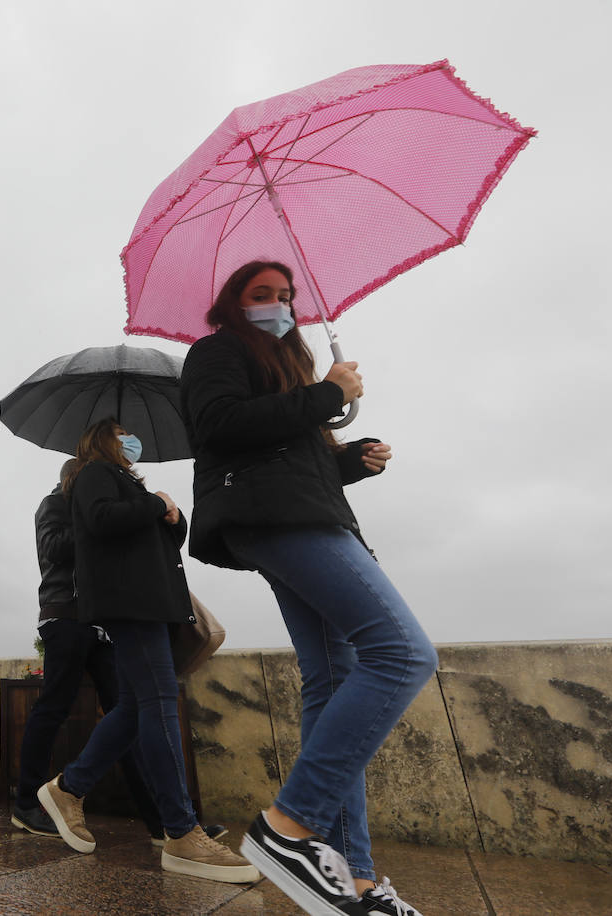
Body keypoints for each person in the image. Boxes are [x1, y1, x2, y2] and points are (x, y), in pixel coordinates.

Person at [180, 260, 437, 916]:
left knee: (333, 674)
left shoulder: (288, 366)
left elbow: (293, 461)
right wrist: (326, 395)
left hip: (297, 511)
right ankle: (289, 827)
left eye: (284, 296)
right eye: (260, 295)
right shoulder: (216, 352)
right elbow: (221, 429)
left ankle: (354, 880)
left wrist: (349, 461)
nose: (277, 305)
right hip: (274, 521)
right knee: (401, 652)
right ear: (233, 304)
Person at [37, 420, 258, 885]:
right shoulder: (94, 472)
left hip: (149, 601)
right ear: (102, 439)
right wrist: (154, 503)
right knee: (157, 703)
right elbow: (99, 521)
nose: (129, 440)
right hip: (129, 602)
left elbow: (155, 542)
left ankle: (69, 788)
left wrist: (172, 518)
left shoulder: (126, 483)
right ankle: (180, 831)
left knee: (138, 706)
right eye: (120, 433)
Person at [14, 459, 222, 847]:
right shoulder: (54, 504)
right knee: (53, 708)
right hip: (65, 616)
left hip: (104, 621)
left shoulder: (106, 505)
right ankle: (26, 804)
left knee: (130, 712)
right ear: (71, 479)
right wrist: (94, 523)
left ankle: (161, 820)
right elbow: (55, 548)